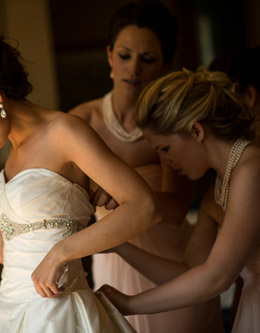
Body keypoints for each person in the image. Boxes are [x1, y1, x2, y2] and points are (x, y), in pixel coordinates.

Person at [0, 24, 162, 332]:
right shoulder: (13, 152)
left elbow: (145, 207)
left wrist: (61, 253)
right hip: (6, 308)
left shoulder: (64, 131)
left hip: (56, 312)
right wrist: (5, 225)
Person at [69, 1, 222, 331]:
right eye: (124, 56)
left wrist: (124, 196)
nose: (134, 68)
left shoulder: (171, 126)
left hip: (169, 261)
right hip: (111, 261)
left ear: (165, 65)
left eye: (147, 59)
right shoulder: (81, 122)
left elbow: (178, 209)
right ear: (110, 56)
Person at [100, 67, 260, 333]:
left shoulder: (252, 171)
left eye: (165, 149)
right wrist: (120, 246)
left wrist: (129, 304)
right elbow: (189, 271)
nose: (166, 163)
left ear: (196, 131)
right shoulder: (213, 197)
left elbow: (216, 278)